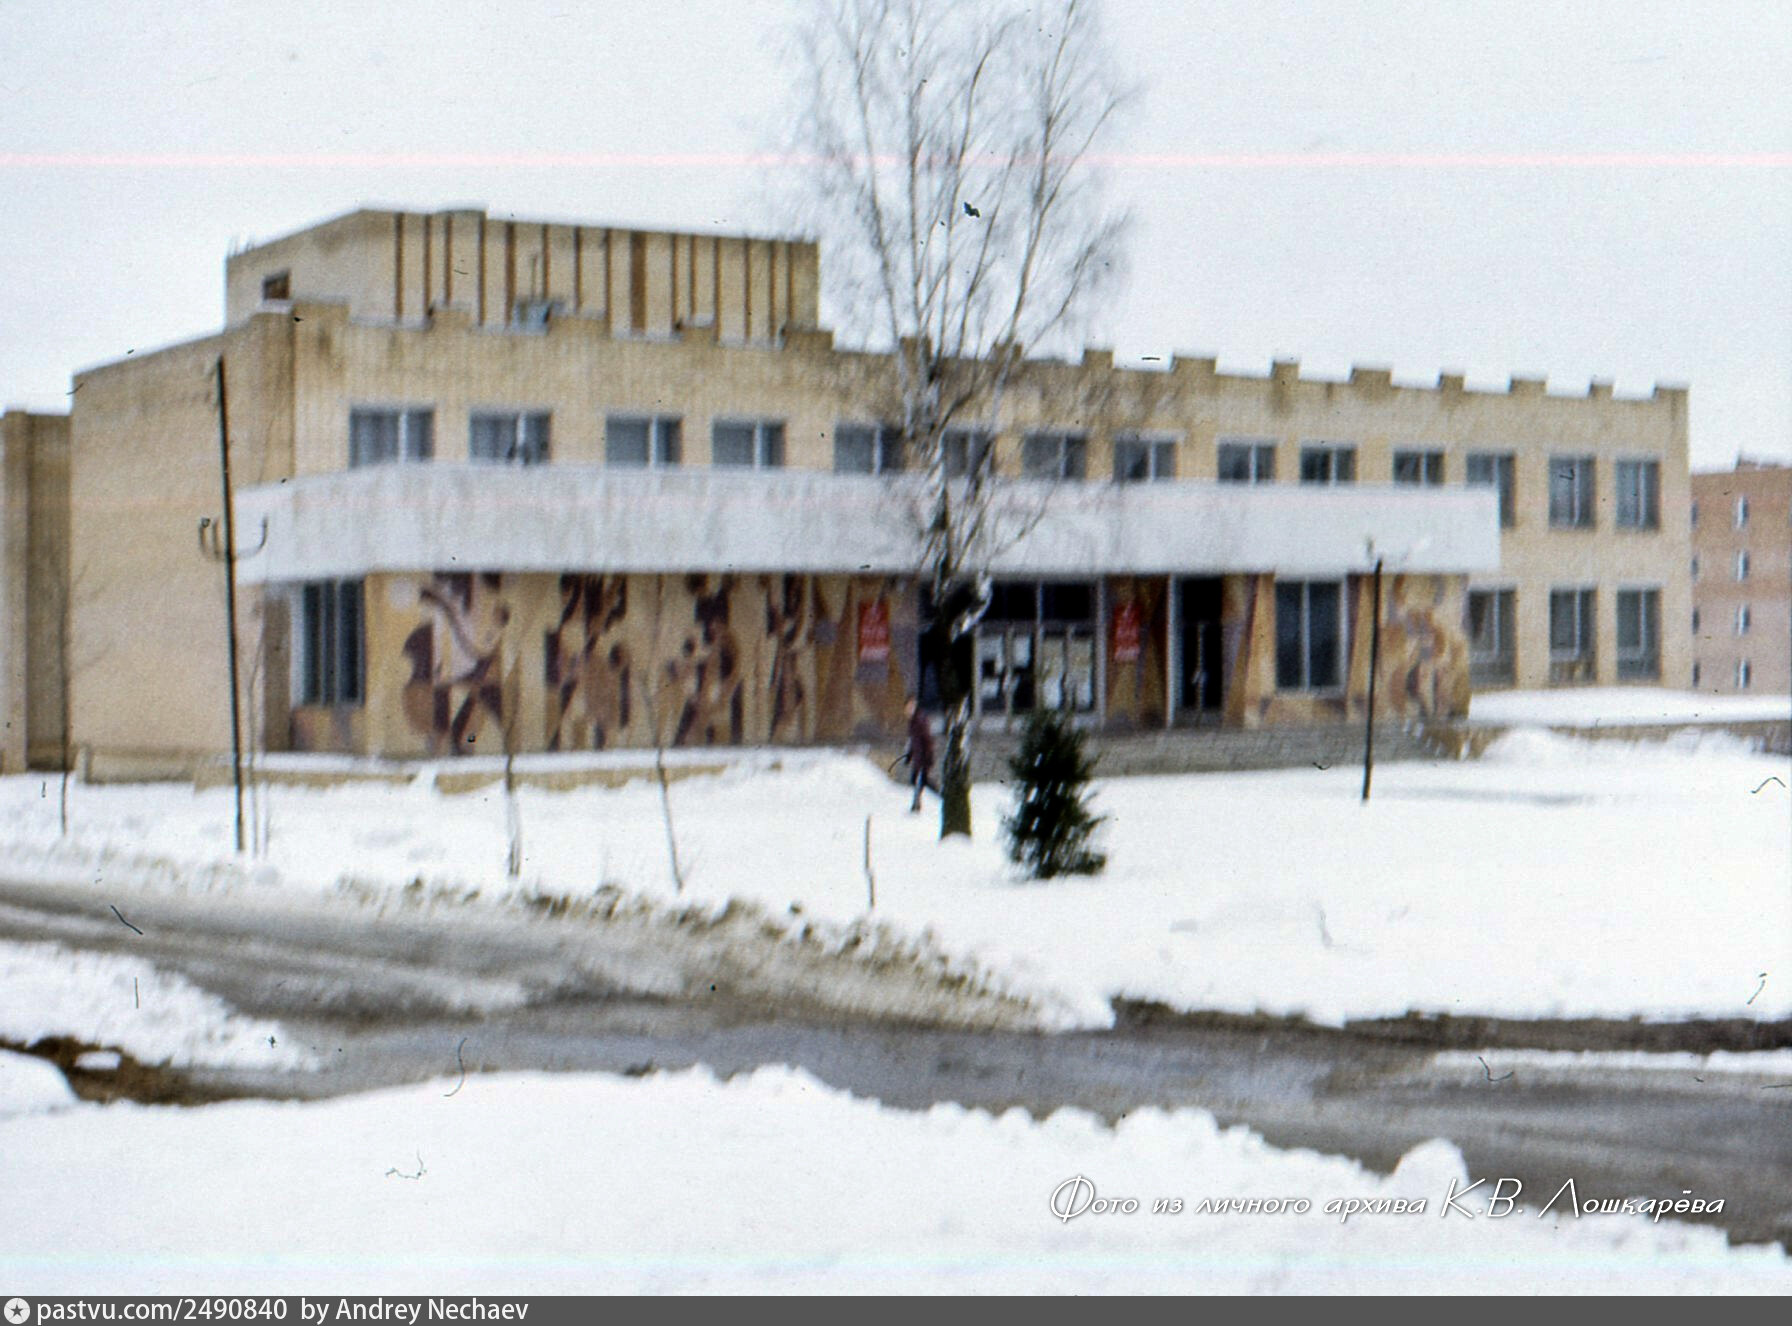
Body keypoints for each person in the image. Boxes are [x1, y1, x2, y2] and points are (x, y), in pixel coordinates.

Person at [901, 696, 939, 813]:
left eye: (911, 706)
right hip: (918, 757)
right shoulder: (912, 722)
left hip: (923, 757)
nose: (908, 709)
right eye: (907, 707)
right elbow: (913, 741)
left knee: (922, 781)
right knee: (919, 781)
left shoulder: (920, 720)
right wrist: (909, 755)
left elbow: (927, 739)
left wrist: (928, 756)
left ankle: (917, 805)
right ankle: (916, 805)